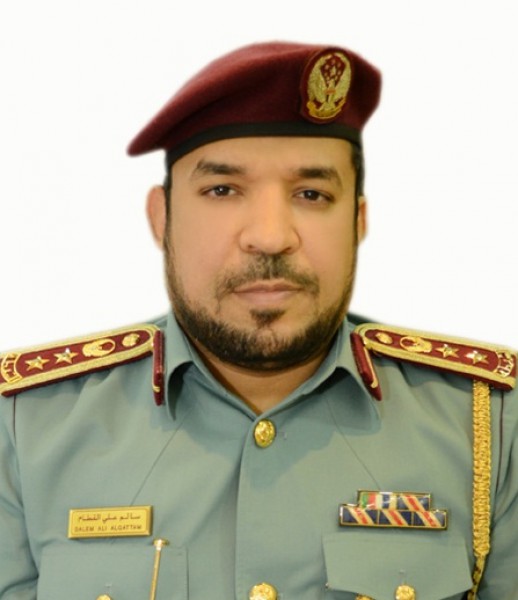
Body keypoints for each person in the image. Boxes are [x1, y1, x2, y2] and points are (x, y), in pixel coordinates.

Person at [0, 41, 516, 600]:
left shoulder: (490, 425)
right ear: (161, 217)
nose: (270, 236)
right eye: (222, 190)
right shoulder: (25, 427)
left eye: (312, 193)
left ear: (357, 221)